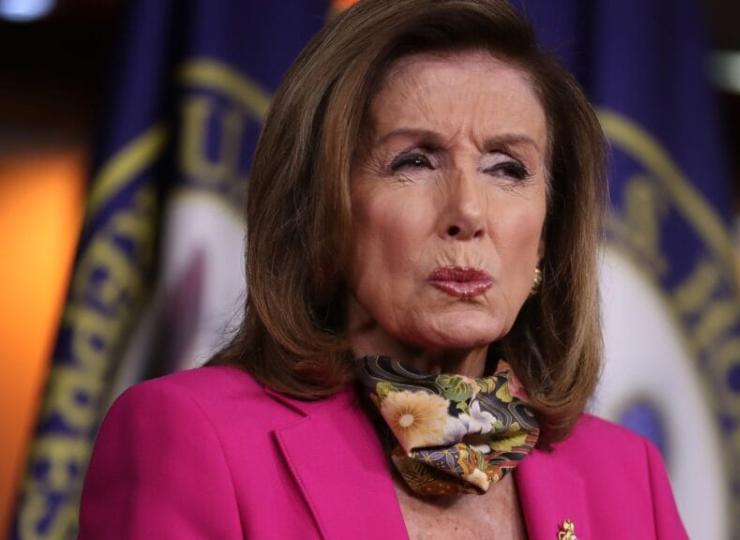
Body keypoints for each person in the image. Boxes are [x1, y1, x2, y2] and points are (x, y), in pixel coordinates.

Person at [78, 0, 688, 538]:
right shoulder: (192, 437)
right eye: (413, 161)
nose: (468, 212)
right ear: (322, 210)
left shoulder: (627, 476)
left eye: (507, 168)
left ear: (550, 234)